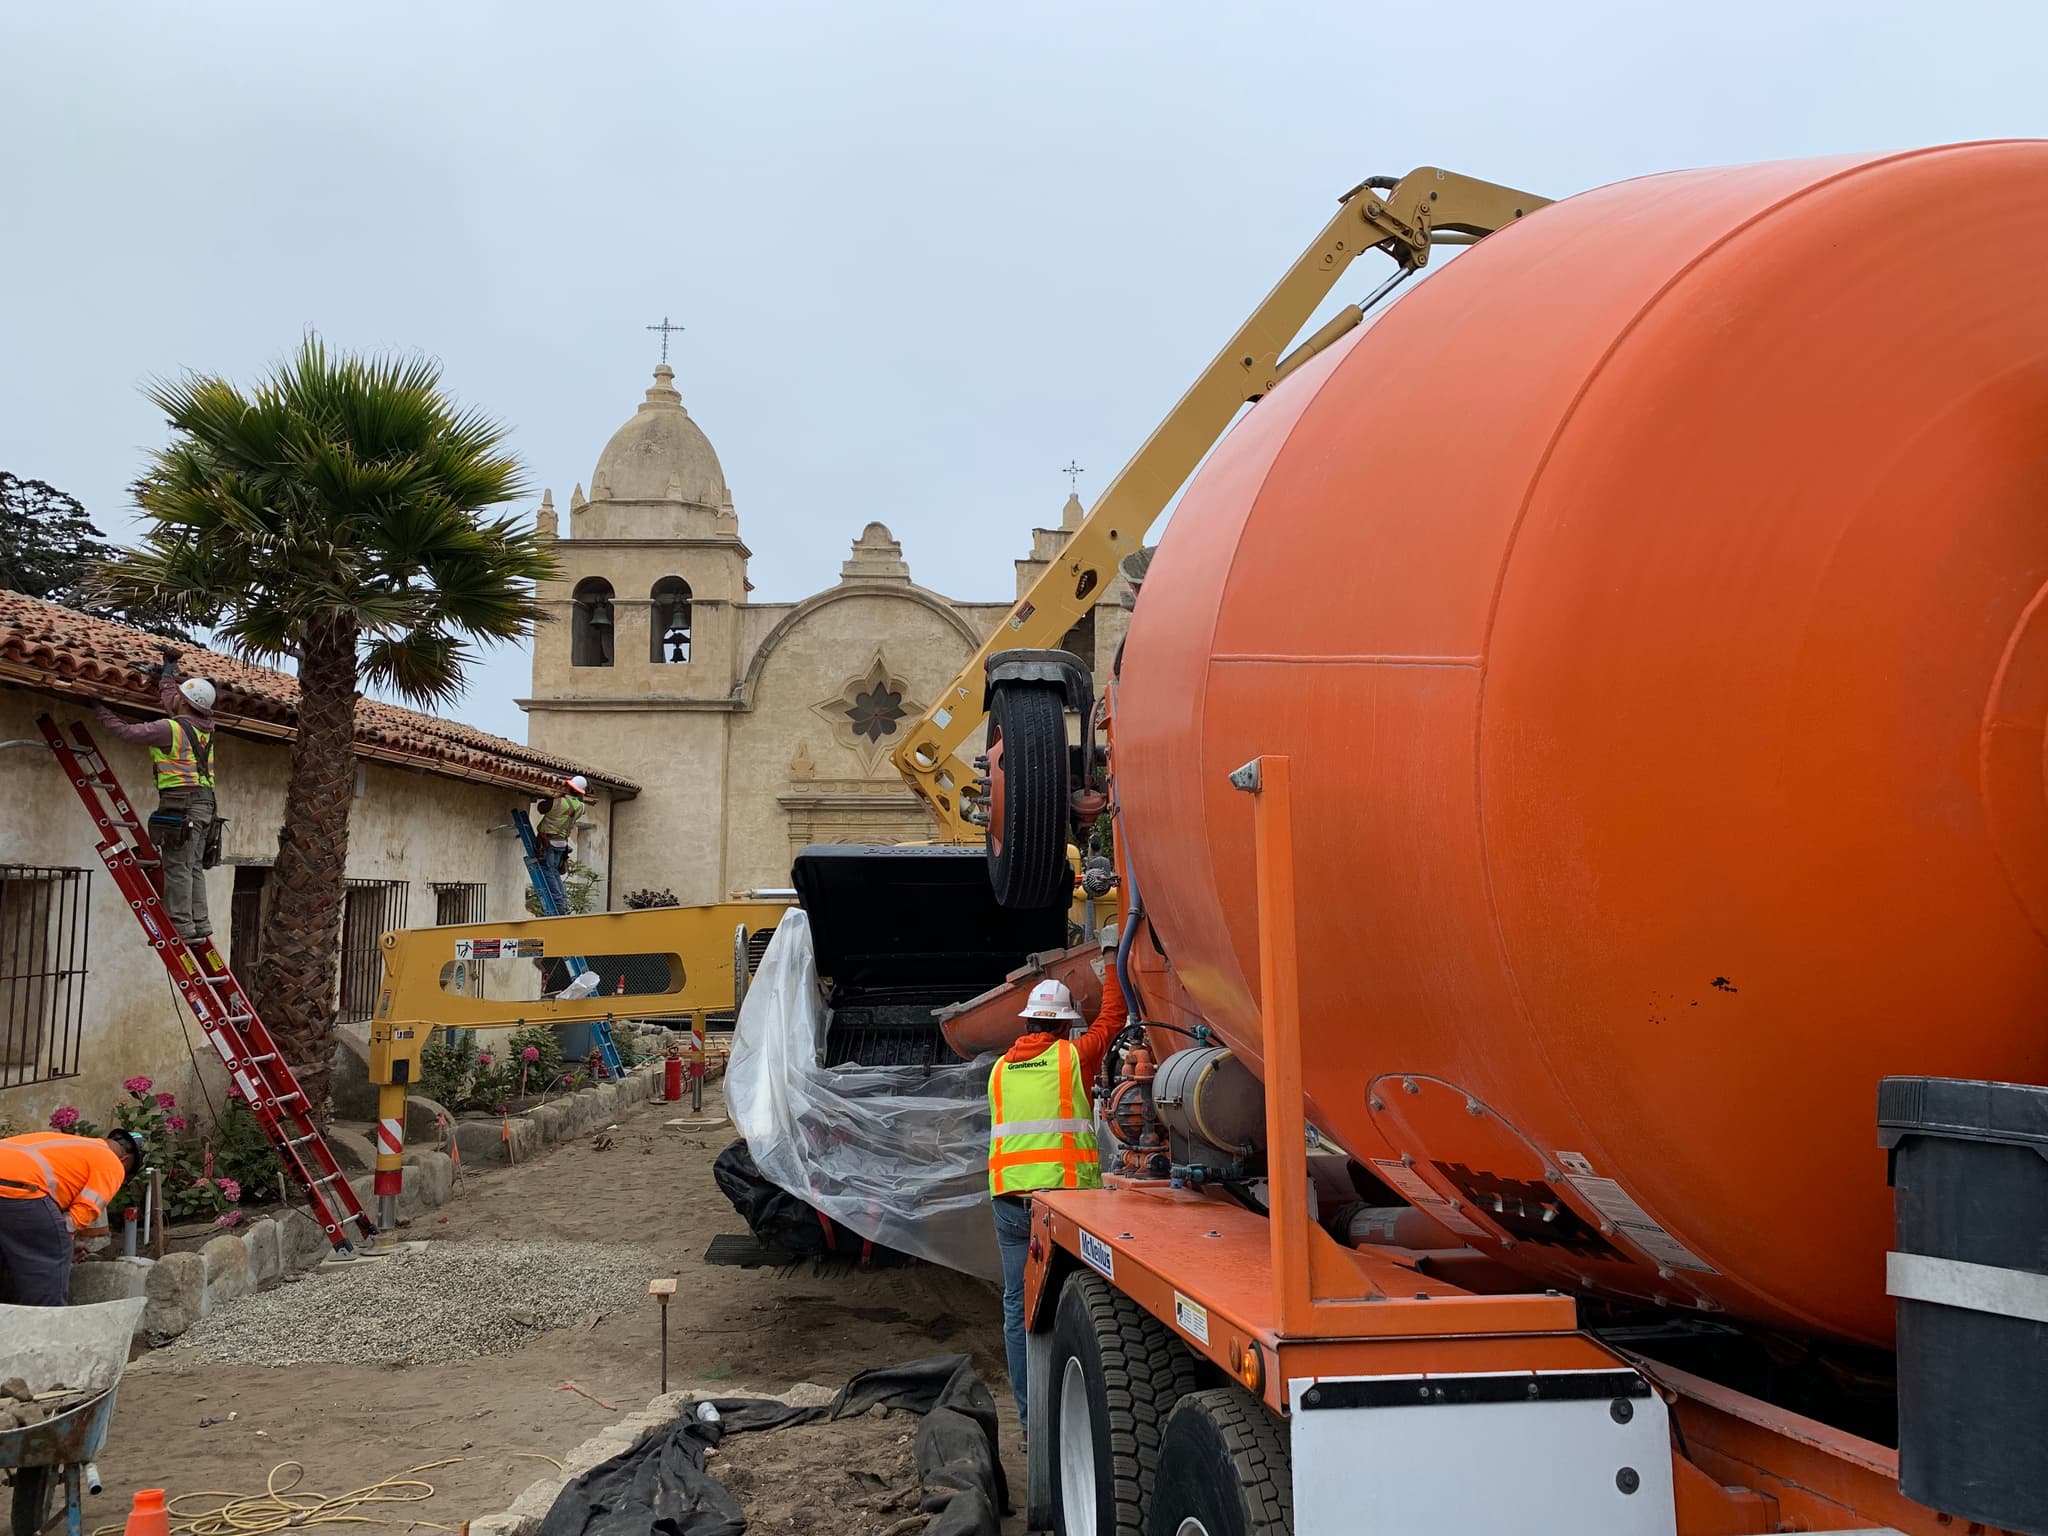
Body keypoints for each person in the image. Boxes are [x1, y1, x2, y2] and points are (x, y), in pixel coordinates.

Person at [988, 950, 1127, 1436]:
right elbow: (1113, 1020)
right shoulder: (1072, 1057)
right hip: (1062, 1203)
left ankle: (1030, 1423)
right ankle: (1074, 1418)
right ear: (1065, 1027)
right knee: (1077, 1305)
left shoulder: (1000, 1070)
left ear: (1027, 1024)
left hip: (1007, 1202)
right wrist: (1114, 959)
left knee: (1016, 1306)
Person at [94, 646, 219, 943]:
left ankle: (180, 926)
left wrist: (99, 707)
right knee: (193, 867)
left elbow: (126, 732)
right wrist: (167, 674)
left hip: (181, 803)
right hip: (205, 804)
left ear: (185, 704)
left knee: (177, 865)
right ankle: (199, 924)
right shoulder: (205, 726)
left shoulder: (170, 729)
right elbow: (173, 701)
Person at [0, 1129, 143, 1305]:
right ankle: (47, 1327)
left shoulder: (71, 1144)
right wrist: (62, 1244)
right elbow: (84, 1211)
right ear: (126, 1160)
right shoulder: (112, 1162)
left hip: (13, 1187)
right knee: (47, 1269)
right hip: (21, 1193)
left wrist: (64, 1239)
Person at [535, 775, 589, 874]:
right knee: (554, 871)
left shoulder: (558, 802)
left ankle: (556, 891)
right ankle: (559, 890)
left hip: (547, 841)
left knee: (548, 871)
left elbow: (540, 808)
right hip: (562, 843)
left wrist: (551, 797)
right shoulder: (581, 807)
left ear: (570, 787)